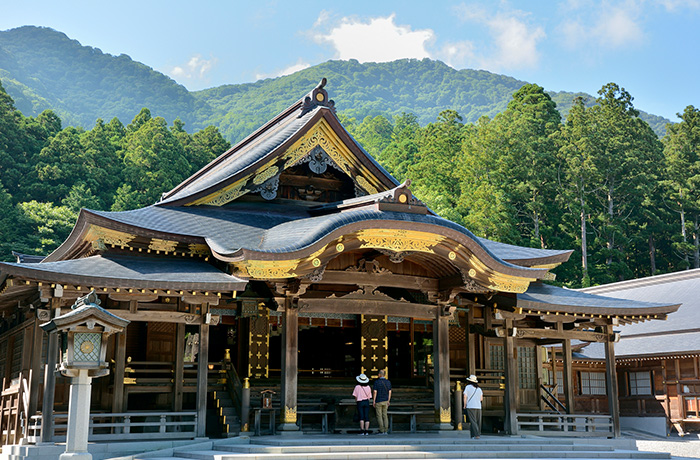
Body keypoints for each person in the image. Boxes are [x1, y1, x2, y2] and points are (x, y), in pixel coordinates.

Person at [463, 374, 483, 438]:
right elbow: (481, 399)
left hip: (470, 406)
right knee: (478, 421)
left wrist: (464, 404)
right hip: (478, 406)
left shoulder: (468, 387)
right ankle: (473, 434)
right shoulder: (479, 389)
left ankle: (477, 434)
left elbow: (465, 396)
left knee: (473, 421)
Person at [372, 369, 392, 435]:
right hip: (385, 400)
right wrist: (388, 400)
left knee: (379, 416)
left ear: (379, 375)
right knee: (385, 415)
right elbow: (389, 392)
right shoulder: (388, 382)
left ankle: (381, 430)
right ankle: (386, 430)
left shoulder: (376, 382)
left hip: (378, 400)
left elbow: (375, 392)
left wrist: (374, 401)